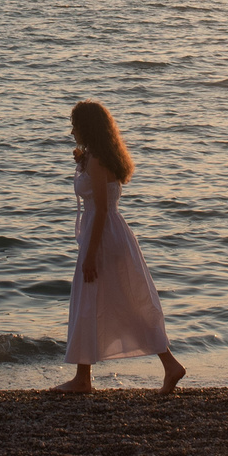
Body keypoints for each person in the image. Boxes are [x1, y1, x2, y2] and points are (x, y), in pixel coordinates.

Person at [50, 99, 186, 394]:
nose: (72, 132)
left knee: (93, 301)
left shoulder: (98, 160)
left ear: (87, 127)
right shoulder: (97, 157)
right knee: (116, 302)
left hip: (103, 238)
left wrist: (90, 255)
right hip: (109, 234)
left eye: (75, 126)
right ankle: (165, 364)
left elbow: (100, 209)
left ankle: (84, 379)